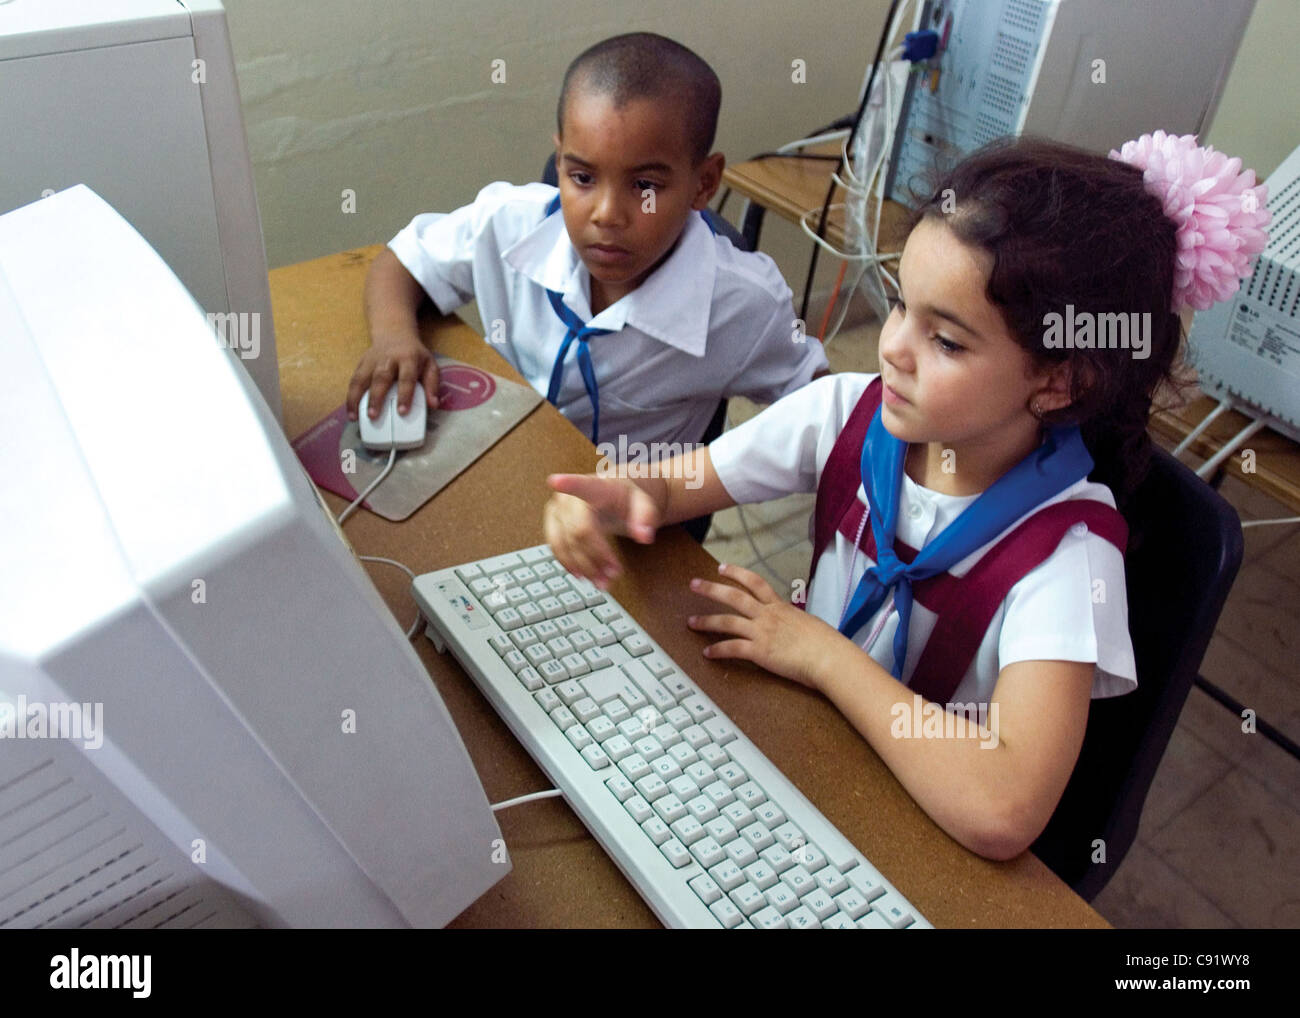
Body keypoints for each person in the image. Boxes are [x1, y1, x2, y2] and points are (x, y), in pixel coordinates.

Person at [541, 132, 1270, 860]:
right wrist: (618, 496)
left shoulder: (1067, 562)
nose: (892, 347)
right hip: (795, 761)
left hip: (915, 842)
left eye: (946, 341)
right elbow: (672, 486)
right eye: (899, 305)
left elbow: (1004, 808)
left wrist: (821, 656)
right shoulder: (847, 415)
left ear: (1060, 381)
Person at [346, 31, 827, 455]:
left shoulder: (743, 303)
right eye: (582, 177)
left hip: (633, 534)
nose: (607, 215)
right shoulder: (509, 224)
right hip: (508, 466)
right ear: (558, 164)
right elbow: (403, 260)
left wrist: (712, 479)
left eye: (645, 187)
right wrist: (394, 335)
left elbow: (824, 408)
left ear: (704, 184)